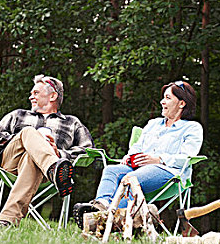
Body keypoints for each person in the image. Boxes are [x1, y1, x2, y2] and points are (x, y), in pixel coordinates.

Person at [73, 80, 203, 225]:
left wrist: (158, 159)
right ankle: (100, 207)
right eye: (163, 98)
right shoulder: (153, 123)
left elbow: (187, 157)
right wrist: (129, 156)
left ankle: (103, 218)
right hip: (138, 168)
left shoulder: (192, 128)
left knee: (130, 179)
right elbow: (137, 146)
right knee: (111, 170)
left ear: (181, 103)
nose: (162, 102)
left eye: (167, 98)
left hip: (169, 172)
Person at [0, 74, 93, 227]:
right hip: (11, 165)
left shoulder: (71, 123)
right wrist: (25, 140)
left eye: (35, 93)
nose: (31, 97)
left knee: (32, 159)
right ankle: (53, 167)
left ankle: (7, 220)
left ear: (53, 96)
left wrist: (59, 153)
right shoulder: (18, 115)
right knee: (29, 132)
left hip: (41, 173)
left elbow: (88, 151)